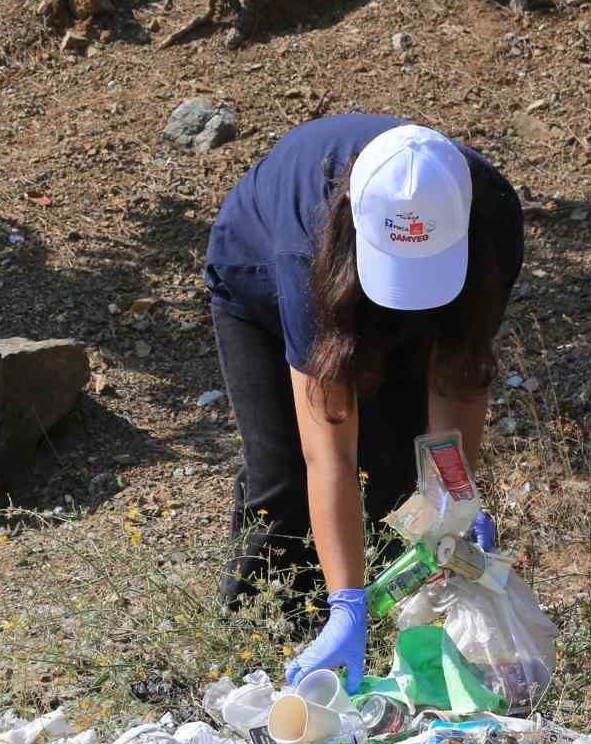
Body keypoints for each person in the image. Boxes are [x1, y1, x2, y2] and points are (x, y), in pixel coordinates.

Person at [203, 114, 523, 693]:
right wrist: (346, 603)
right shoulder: (301, 253)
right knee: (284, 482)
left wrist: (455, 502)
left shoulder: (494, 218)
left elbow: (458, 375)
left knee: (402, 479)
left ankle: (384, 647)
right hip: (267, 284)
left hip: (406, 273)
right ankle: (250, 655)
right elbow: (330, 455)